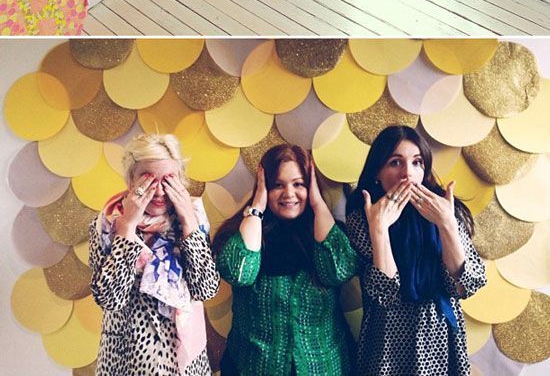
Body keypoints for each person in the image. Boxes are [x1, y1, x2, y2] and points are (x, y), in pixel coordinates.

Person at [346, 125, 486, 376]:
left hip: (439, 337)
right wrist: (379, 229)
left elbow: (467, 285)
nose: (407, 174)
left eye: (416, 162)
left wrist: (447, 224)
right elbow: (385, 295)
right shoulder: (362, 218)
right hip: (387, 342)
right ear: (377, 171)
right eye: (395, 162)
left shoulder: (445, 208)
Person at [213, 143, 357, 375]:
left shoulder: (328, 231)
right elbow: (240, 274)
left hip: (323, 365)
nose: (289, 194)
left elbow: (337, 271)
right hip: (253, 365)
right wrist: (257, 208)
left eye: (298, 184)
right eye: (277, 185)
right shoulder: (243, 232)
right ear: (263, 187)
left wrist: (318, 204)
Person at [89, 133, 220, 376]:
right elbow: (109, 299)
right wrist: (127, 226)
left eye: (168, 179)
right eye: (149, 179)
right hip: (125, 359)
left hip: (183, 361)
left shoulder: (194, 218)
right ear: (131, 180)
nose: (159, 191)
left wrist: (189, 224)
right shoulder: (106, 225)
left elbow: (206, 289)